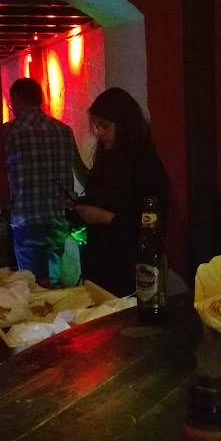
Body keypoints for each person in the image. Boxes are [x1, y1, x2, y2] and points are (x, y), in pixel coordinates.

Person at [74, 88, 169, 295]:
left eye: (104, 126)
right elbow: (103, 199)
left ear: (123, 123)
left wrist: (105, 217)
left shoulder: (145, 164)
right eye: (96, 126)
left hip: (129, 269)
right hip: (101, 265)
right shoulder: (107, 159)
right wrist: (79, 207)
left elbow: (151, 224)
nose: (99, 133)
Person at [4, 78, 88, 286]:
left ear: (16, 99)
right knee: (60, 284)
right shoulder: (64, 131)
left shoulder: (8, 132)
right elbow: (81, 172)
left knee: (31, 286)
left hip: (26, 220)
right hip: (58, 220)